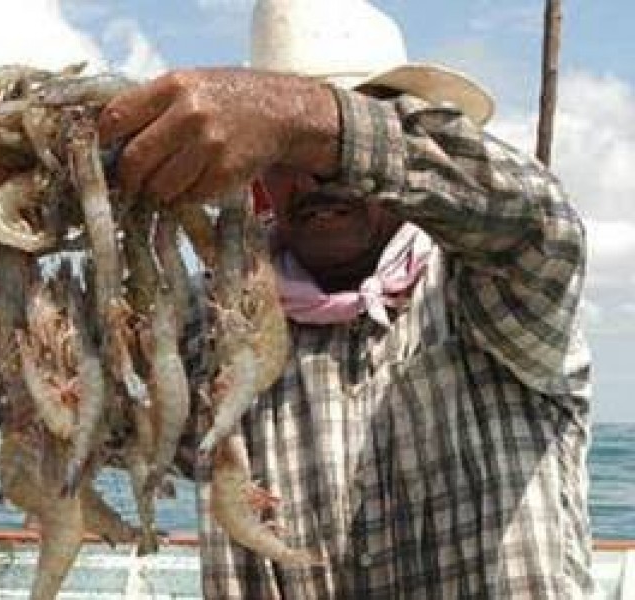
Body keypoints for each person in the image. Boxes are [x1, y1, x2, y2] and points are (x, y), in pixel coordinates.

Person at [97, 0, 592, 597]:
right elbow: (95, 423)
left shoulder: (492, 284)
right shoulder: (213, 328)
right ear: (253, 172)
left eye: (323, 151)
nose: (312, 180)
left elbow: (542, 223)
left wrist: (301, 122)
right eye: (283, 158)